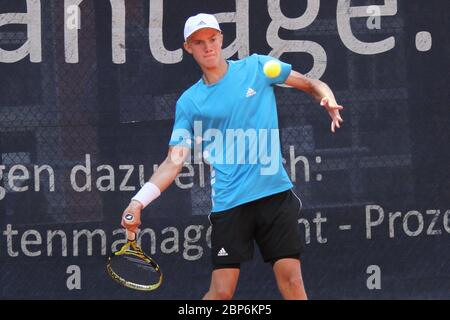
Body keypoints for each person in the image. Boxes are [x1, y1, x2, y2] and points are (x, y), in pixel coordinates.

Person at [121, 13, 344, 300]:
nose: (208, 47)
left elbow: (311, 84)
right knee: (222, 292)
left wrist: (326, 97)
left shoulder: (259, 68)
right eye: (199, 43)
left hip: (274, 195)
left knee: (292, 282)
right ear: (188, 47)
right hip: (230, 204)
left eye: (212, 39)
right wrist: (138, 201)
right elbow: (173, 161)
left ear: (221, 39)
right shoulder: (189, 103)